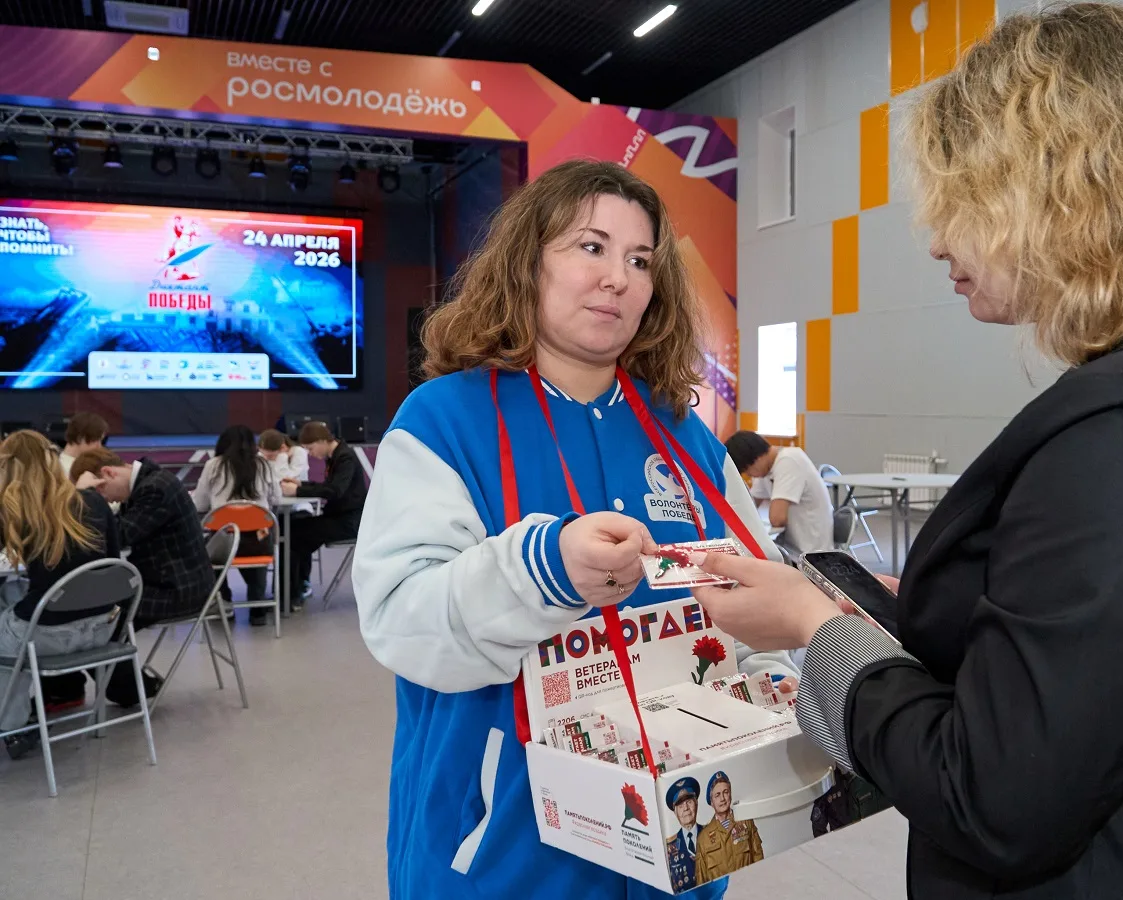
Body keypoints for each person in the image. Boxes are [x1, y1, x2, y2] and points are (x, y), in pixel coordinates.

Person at [688, 6, 1123, 898]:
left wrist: (816, 630)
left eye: (960, 203)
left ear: (1061, 192)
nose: (936, 241)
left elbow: (993, 798)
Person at [351, 159, 795, 900]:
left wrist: (780, 668)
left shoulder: (687, 438)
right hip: (502, 859)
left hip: (675, 853)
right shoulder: (444, 421)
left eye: (640, 260)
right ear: (529, 263)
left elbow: (748, 594)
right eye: (591, 247)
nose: (617, 277)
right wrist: (544, 568)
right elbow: (401, 618)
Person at [0, 431, 120, 759]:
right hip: (102, 629)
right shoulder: (95, 503)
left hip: (46, 635)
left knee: (10, 623)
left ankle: (13, 726)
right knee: (15, 597)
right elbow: (114, 565)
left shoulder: (14, 508)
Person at [70, 448, 214, 707]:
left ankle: (129, 689)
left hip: (178, 590)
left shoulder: (155, 489)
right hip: (169, 581)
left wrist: (83, 498)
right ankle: (121, 686)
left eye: (100, 494)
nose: (105, 502)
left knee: (94, 620)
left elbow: (117, 536)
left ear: (108, 473)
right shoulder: (148, 483)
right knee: (90, 614)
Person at [193, 426, 280, 626]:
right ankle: (257, 610)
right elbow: (276, 498)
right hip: (258, 543)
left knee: (205, 552)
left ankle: (223, 602)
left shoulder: (213, 465)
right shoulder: (265, 465)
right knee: (259, 549)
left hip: (224, 544)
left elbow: (200, 504)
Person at [279, 421, 365, 607]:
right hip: (339, 517)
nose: (310, 454)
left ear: (321, 441)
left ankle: (290, 595)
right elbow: (329, 487)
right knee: (293, 530)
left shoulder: (345, 458)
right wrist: (301, 484)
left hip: (349, 522)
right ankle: (294, 589)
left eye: (310, 448)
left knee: (294, 535)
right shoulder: (336, 456)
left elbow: (335, 491)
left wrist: (297, 491)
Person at [724, 431, 833, 557]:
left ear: (755, 459)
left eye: (747, 471)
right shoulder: (766, 467)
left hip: (811, 554)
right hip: (792, 547)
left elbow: (777, 519)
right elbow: (749, 506)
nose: (750, 475)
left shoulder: (789, 460)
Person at [694, 772, 763, 885]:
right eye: (717, 795)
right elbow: (701, 883)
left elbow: (759, 859)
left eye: (725, 792)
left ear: (730, 794)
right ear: (711, 802)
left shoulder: (746, 821)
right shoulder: (703, 839)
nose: (722, 798)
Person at [665, 777, 702, 892]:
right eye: (680, 806)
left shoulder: (711, 834)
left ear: (696, 803)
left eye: (689, 802)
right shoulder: (669, 847)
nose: (686, 808)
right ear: (675, 812)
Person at [59, 412, 108, 478]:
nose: (99, 446)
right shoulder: (63, 470)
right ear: (80, 439)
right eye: (96, 440)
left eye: (100, 441)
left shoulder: (90, 465)